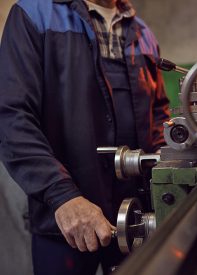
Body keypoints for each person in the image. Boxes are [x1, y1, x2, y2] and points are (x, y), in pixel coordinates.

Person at [0, 0, 169, 274]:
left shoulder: (142, 32)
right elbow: (12, 117)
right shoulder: (34, 15)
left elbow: (158, 113)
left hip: (138, 216)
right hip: (67, 220)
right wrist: (62, 196)